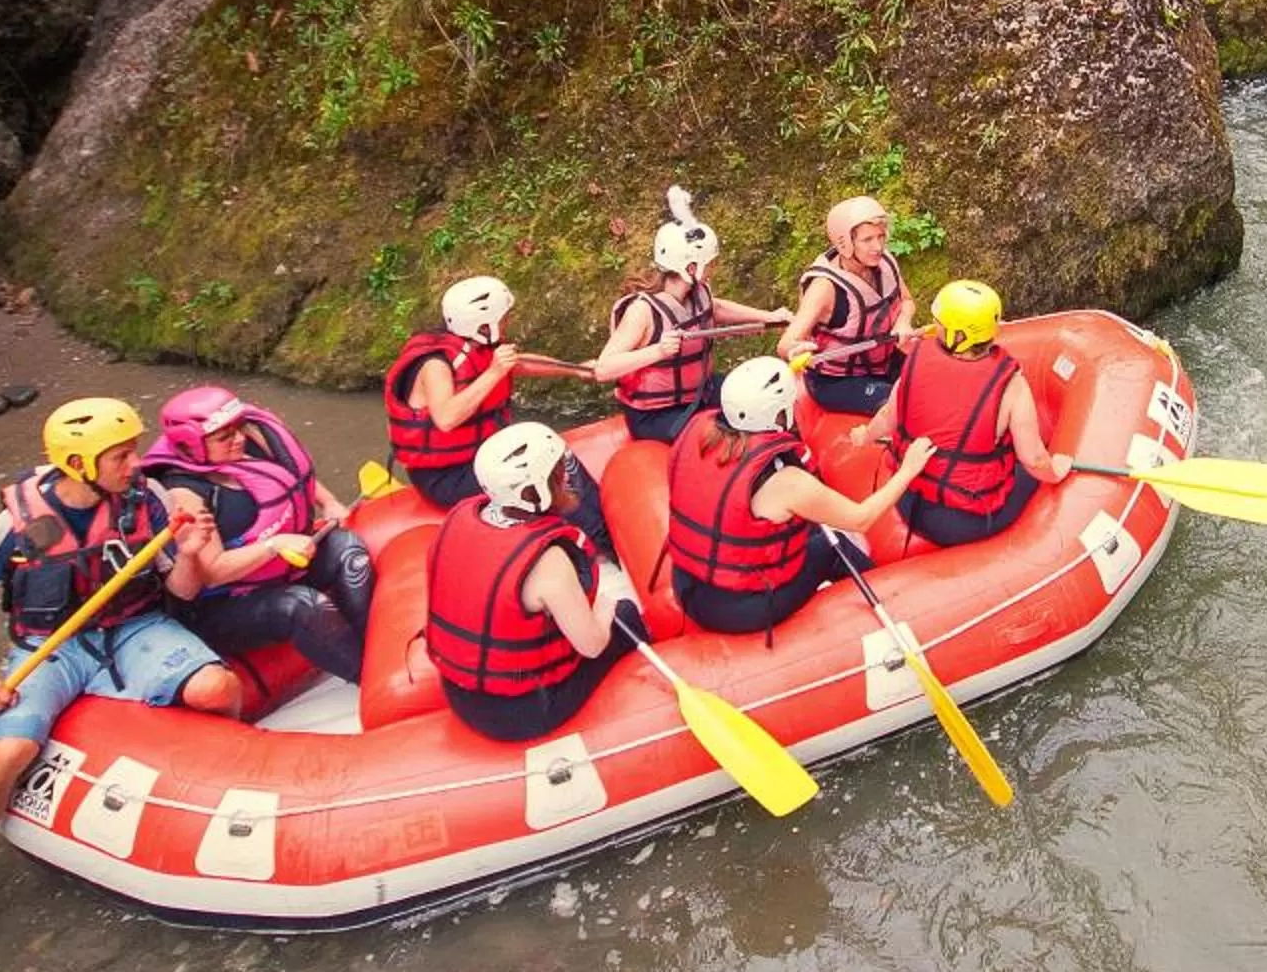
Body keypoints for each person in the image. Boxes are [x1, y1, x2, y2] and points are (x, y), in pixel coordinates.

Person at [0, 397, 240, 963]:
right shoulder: (15, 523)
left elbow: (182, 591)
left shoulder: (147, 500)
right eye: (120, 455)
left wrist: (187, 553)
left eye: (132, 451)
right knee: (9, 749)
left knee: (218, 689)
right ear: (81, 464)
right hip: (53, 648)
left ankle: (209, 796)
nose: (134, 463)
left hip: (135, 628)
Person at [664, 358, 937, 635]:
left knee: (810, 531)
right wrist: (908, 469)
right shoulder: (787, 482)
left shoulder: (696, 432)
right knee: (833, 547)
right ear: (777, 413)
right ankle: (893, 609)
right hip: (739, 609)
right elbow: (861, 519)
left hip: (686, 582)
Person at [425, 422, 647, 744]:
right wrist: (607, 605)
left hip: (458, 692)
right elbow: (593, 645)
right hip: (524, 711)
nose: (569, 477)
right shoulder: (549, 561)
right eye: (561, 472)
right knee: (626, 616)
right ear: (542, 487)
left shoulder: (459, 516)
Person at [143, 386, 374, 686]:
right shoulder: (184, 493)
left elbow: (290, 479)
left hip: (277, 572)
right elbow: (212, 572)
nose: (238, 438)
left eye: (238, 429)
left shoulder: (242, 446)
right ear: (191, 447)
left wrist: (328, 501)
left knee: (348, 549)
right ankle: (368, 678)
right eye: (224, 437)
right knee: (302, 605)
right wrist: (274, 545)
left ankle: (375, 646)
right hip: (224, 606)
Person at [386, 274, 614, 552]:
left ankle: (603, 524)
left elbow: (521, 363)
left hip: (479, 454)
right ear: (483, 324)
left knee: (556, 452)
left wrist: (579, 370)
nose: (508, 322)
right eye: (504, 317)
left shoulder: (477, 344)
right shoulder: (435, 365)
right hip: (445, 476)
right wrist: (494, 372)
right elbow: (446, 418)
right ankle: (602, 537)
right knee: (542, 471)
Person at [855, 279, 1072, 549]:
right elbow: (1035, 458)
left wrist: (865, 436)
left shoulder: (918, 360)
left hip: (907, 497)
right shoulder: (1012, 385)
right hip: (963, 523)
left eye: (941, 323)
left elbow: (889, 417)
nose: (936, 327)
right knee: (1027, 475)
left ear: (959, 334)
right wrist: (1057, 471)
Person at [598, 184, 790, 444]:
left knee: (761, 402)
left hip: (701, 392)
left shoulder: (699, 292)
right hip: (656, 414)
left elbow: (717, 309)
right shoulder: (642, 312)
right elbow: (604, 369)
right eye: (710, 262)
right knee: (725, 437)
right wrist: (658, 351)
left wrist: (768, 317)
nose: (714, 267)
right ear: (690, 267)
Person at [777, 195, 915, 416]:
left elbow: (907, 301)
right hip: (836, 381)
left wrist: (903, 323)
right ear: (845, 242)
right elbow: (786, 343)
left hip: (885, 362)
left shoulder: (885, 262)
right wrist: (794, 350)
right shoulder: (824, 287)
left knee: (931, 385)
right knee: (903, 404)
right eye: (867, 239)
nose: (878, 246)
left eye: (881, 236)